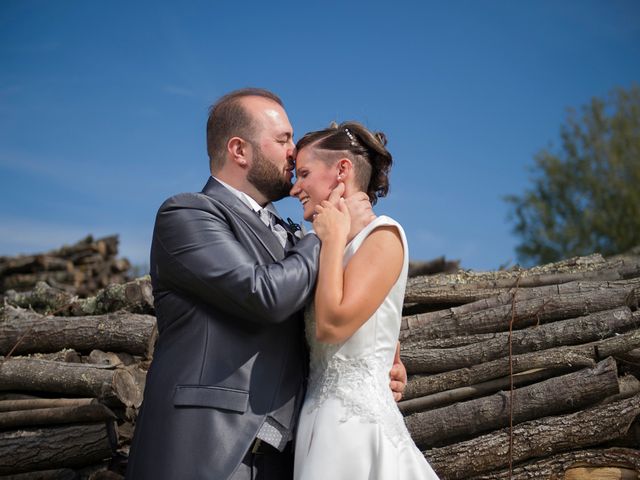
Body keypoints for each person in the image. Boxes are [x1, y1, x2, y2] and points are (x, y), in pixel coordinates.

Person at [125, 89, 407, 480]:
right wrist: (326, 235)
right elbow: (264, 295)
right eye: (283, 139)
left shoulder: (295, 240)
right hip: (206, 450)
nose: (294, 152)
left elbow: (326, 319)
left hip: (289, 457)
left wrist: (378, 365)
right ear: (239, 150)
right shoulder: (188, 214)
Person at [290, 122, 440, 479]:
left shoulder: (384, 236)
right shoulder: (320, 244)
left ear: (342, 169)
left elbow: (331, 325)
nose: (295, 187)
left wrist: (334, 239)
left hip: (354, 430)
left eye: (305, 173)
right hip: (315, 423)